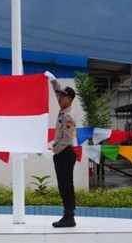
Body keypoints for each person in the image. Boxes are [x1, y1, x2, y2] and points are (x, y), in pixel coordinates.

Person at [45, 71, 77, 228]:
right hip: (61, 153)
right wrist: (53, 81)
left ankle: (69, 216)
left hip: (65, 153)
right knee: (62, 185)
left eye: (62, 97)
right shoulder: (63, 109)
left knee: (66, 185)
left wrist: (54, 149)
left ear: (69, 100)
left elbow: (67, 138)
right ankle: (67, 214)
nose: (59, 98)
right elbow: (57, 92)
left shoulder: (69, 116)